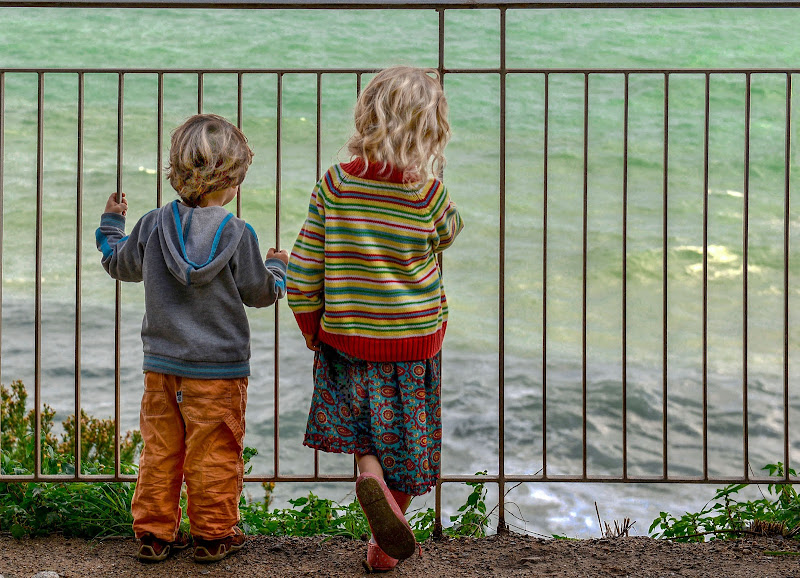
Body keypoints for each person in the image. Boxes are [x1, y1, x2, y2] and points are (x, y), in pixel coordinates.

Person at [286, 66, 464, 571]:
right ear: (431, 131)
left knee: (363, 427)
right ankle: (383, 549)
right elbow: (450, 232)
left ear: (365, 118)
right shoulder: (427, 193)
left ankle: (367, 470)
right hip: (414, 342)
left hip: (347, 336)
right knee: (409, 442)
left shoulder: (337, 183)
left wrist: (310, 325)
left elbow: (302, 267)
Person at [96, 113, 288, 564]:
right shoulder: (238, 234)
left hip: (162, 365)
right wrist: (279, 268)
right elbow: (261, 293)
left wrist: (110, 224)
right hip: (219, 370)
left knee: (161, 450)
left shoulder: (150, 225)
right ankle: (213, 534)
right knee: (215, 451)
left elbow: (116, 263)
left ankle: (154, 534)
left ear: (176, 172)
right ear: (231, 181)